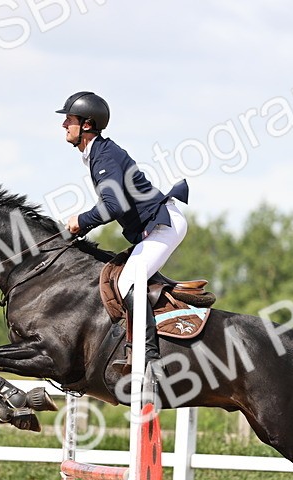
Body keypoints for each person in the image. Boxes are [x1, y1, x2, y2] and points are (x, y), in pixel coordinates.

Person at [57, 91, 189, 379]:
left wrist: (82, 221)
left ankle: (150, 357)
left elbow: (113, 206)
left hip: (162, 225)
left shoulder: (104, 155)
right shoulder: (97, 154)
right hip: (153, 226)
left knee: (129, 279)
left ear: (87, 125)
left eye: (69, 119)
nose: (64, 124)